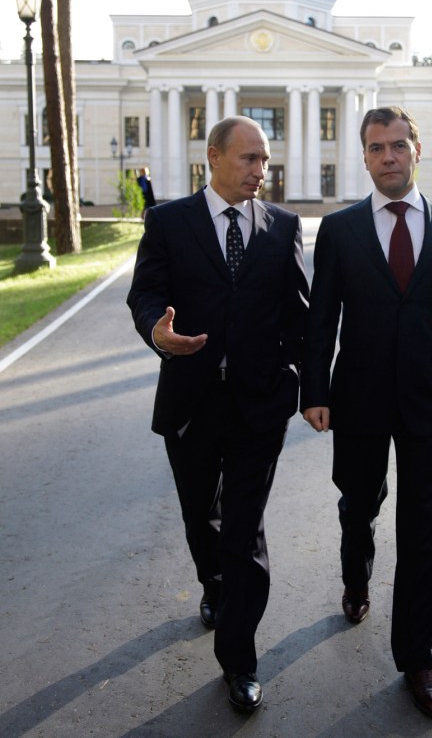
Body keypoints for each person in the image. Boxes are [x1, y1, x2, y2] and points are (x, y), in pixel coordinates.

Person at [301, 106, 432, 719]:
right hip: (357, 401)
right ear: (364, 156)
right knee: (358, 504)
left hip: (425, 403)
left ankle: (417, 656)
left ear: (417, 150)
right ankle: (355, 579)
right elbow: (321, 318)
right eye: (376, 147)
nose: (388, 156)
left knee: (424, 526)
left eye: (397, 146)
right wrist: (314, 391)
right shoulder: (339, 229)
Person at [127, 116, 309, 712]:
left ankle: (240, 660)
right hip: (191, 403)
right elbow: (146, 292)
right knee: (200, 517)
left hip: (260, 404)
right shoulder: (169, 222)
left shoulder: (283, 227)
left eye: (265, 160)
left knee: (245, 531)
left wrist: (314, 387)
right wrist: (157, 331)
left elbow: (299, 314)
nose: (262, 170)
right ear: (214, 157)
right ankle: (212, 585)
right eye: (250, 158)